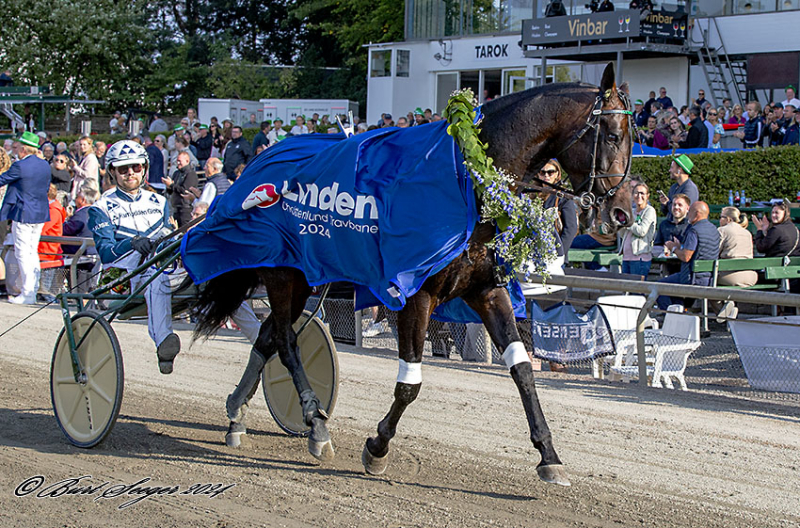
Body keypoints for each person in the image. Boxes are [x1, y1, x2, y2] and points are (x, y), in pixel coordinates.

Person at [88, 140, 181, 374]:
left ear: (144, 169)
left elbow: (169, 237)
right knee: (155, 275)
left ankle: (260, 342)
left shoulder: (159, 202)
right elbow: (106, 252)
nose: (130, 172)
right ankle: (163, 342)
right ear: (112, 172)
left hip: (160, 269)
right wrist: (130, 243)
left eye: (136, 167)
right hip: (118, 278)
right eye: (123, 169)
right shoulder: (101, 206)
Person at [0, 131, 51, 304]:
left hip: (23, 212)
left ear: (23, 149)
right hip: (39, 212)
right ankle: (32, 290)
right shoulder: (44, 165)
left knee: (23, 253)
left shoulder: (20, 166)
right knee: (31, 252)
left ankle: (28, 293)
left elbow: (2, 180)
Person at [656, 201, 720, 311]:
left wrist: (674, 248)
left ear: (697, 214)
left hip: (693, 278)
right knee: (674, 290)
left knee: (658, 287)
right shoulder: (714, 229)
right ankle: (680, 314)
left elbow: (686, 257)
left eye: (689, 211)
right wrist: (680, 247)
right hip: (709, 278)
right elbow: (700, 251)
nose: (687, 214)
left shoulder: (694, 231)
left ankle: (670, 316)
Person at [713, 206, 757, 321]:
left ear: (728, 219)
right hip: (751, 276)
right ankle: (728, 308)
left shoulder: (722, 230)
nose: (719, 220)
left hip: (731, 276)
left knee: (706, 283)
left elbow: (714, 252)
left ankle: (724, 312)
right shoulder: (747, 232)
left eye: (721, 217)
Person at [538, 160, 578, 265]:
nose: (546, 175)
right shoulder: (531, 196)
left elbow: (571, 228)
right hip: (535, 255)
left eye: (550, 172)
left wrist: (558, 255)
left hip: (555, 256)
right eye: (542, 172)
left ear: (557, 174)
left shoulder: (563, 198)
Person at [618, 183, 656, 278]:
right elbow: (623, 234)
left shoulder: (649, 211)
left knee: (637, 291)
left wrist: (628, 222)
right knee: (626, 289)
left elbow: (642, 231)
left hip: (640, 259)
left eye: (642, 193)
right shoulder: (631, 211)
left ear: (647, 196)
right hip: (626, 257)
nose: (639, 196)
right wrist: (620, 223)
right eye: (636, 193)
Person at [37, 184, 67, 303]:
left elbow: (42, 228)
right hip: (45, 252)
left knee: (46, 291)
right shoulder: (52, 208)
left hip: (48, 253)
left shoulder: (53, 210)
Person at [162, 151, 199, 228]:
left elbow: (185, 190)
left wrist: (171, 185)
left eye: (180, 161)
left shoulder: (191, 174)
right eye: (177, 161)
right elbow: (172, 191)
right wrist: (168, 186)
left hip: (185, 209)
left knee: (184, 231)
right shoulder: (176, 173)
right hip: (176, 208)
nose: (178, 163)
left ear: (187, 161)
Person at [660, 155, 699, 222]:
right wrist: (664, 204)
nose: (669, 170)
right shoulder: (673, 187)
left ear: (679, 170)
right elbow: (667, 212)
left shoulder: (690, 189)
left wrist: (668, 204)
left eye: (672, 168)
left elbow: (683, 212)